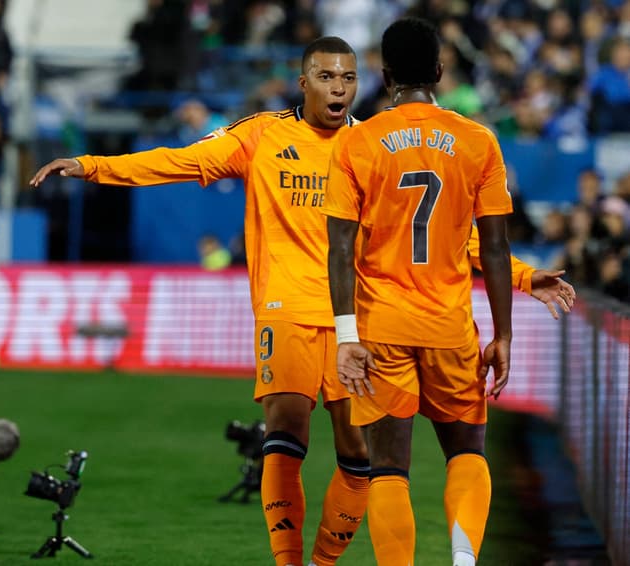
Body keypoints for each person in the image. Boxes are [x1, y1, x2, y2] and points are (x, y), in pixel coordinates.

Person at [31, 37, 574, 566]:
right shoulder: (262, 136)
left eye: (348, 77)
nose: (338, 88)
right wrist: (93, 165)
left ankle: (323, 560)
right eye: (326, 76)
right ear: (303, 82)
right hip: (286, 310)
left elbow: (448, 237)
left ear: (368, 81)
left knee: (362, 457)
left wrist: (525, 277)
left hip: (358, 323)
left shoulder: (372, 142)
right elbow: (181, 161)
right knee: (287, 425)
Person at [323, 17, 544, 566]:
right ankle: (464, 560)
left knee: (389, 470)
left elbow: (340, 249)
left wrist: (346, 334)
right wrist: (504, 336)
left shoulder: (357, 143)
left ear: (384, 73)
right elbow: (493, 248)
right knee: (467, 452)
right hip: (449, 325)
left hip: (382, 328)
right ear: (441, 72)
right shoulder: (477, 141)